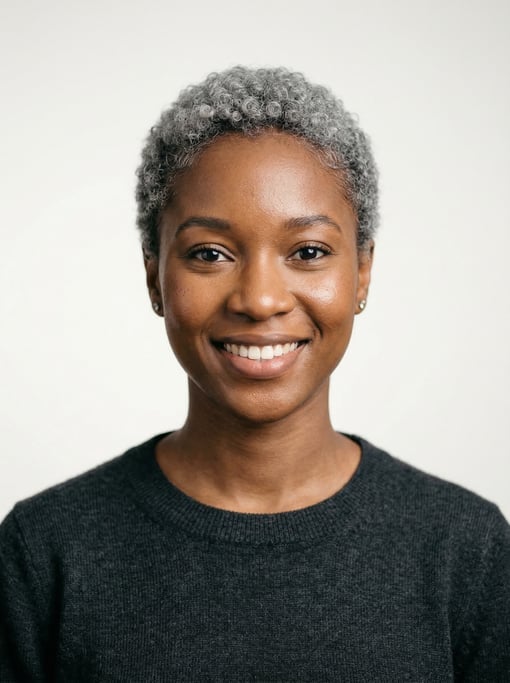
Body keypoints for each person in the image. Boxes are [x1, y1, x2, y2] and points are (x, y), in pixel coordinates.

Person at [0, 66, 509, 682]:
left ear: (362, 273)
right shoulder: (45, 550)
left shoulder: (466, 550)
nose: (261, 299)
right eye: (209, 254)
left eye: (308, 252)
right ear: (154, 276)